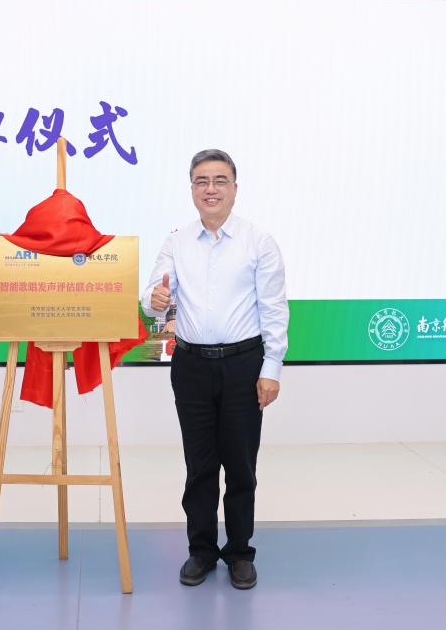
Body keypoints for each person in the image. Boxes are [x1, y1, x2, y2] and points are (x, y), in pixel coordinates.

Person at [141, 148, 288, 590]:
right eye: (202, 181)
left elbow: (274, 309)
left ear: (234, 189)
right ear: (191, 189)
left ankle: (239, 552)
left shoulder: (258, 242)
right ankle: (201, 551)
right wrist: (154, 300)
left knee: (241, 466)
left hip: (244, 365)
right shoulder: (176, 242)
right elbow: (152, 297)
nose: (211, 189)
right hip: (190, 366)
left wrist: (272, 368)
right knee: (200, 465)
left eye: (220, 181)